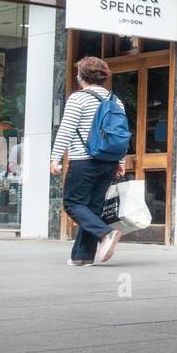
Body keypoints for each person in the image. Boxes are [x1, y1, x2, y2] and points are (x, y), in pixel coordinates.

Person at [50, 56, 126, 266]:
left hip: (84, 161)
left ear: (80, 76)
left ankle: (106, 233)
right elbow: (120, 133)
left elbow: (66, 129)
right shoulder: (115, 101)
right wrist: (120, 161)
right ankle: (81, 256)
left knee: (73, 203)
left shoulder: (78, 98)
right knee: (92, 209)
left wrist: (55, 157)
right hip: (109, 163)